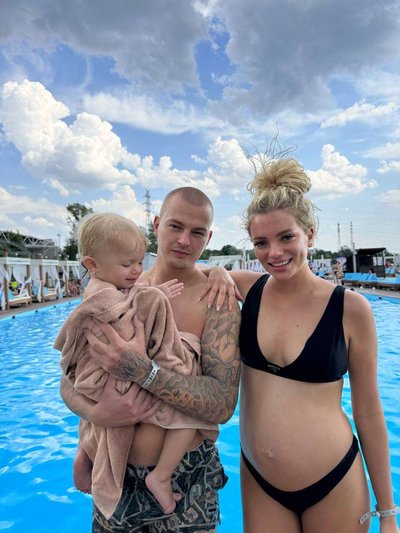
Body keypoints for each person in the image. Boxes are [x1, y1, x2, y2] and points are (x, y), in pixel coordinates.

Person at [225, 156, 398, 532]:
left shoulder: (350, 308)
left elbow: (369, 411)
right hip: (260, 481)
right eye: (261, 242)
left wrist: (388, 512)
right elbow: (182, 279)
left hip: (333, 482)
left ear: (310, 234)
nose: (274, 253)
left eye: (286, 237)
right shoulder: (245, 289)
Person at [60, 188, 241, 532]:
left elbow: (222, 404)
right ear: (157, 225)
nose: (184, 240)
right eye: (175, 226)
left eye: (197, 232)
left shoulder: (217, 300)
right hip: (114, 472)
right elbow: (71, 375)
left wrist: (143, 371)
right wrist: (96, 414)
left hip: (185, 478)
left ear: (208, 238)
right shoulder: (119, 288)